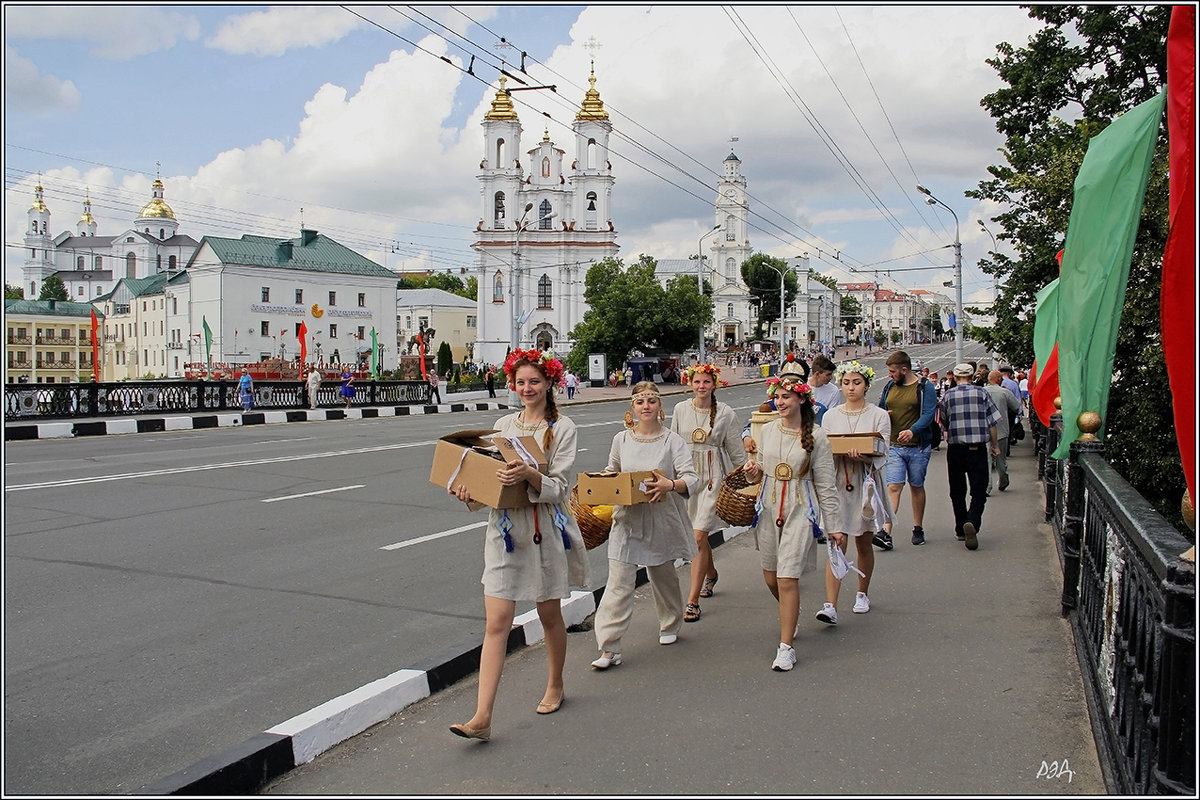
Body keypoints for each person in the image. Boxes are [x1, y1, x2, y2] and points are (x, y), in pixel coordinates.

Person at [448, 349, 589, 740]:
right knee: (496, 622)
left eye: (534, 382)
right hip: (505, 532)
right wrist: (470, 493)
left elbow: (560, 487)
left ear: (549, 384)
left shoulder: (562, 428)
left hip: (543, 529)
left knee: (549, 616)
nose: (527, 389)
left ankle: (556, 683)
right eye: (520, 382)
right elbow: (492, 481)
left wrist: (529, 472)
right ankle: (482, 717)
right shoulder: (503, 425)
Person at [591, 381, 698, 670]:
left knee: (663, 576)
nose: (646, 407)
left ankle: (670, 623)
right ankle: (610, 647)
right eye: (640, 402)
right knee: (618, 583)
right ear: (632, 408)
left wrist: (670, 484)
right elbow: (611, 471)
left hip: (661, 518)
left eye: (651, 401)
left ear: (659, 406)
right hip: (627, 519)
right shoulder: (621, 440)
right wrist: (599, 482)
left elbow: (692, 478)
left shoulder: (671, 440)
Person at [743, 374, 839, 671]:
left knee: (787, 578)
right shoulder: (768, 430)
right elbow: (758, 470)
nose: (780, 402)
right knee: (771, 577)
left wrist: (833, 525)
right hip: (770, 505)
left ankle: (786, 648)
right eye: (778, 397)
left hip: (800, 506)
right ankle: (790, 613)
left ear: (801, 399)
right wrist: (752, 471)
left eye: (786, 397)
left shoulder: (818, 436)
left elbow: (826, 484)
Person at [669, 363, 747, 624]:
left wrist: (746, 480)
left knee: (699, 536)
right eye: (697, 382)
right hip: (686, 479)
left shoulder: (725, 412)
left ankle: (692, 602)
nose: (701, 386)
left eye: (706, 382)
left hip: (712, 478)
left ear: (715, 384)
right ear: (690, 383)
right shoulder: (681, 409)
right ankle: (710, 574)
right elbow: (672, 445)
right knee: (696, 538)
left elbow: (736, 451)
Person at [818, 361, 891, 621]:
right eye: (847, 382)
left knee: (863, 541)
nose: (851, 387)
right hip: (838, 482)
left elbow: (883, 452)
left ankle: (862, 592)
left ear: (866, 385)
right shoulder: (831, 415)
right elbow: (823, 451)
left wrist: (863, 457)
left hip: (865, 482)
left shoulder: (879, 415)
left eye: (856, 382)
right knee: (837, 541)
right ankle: (831, 604)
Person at [876, 351, 937, 548]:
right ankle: (886, 531)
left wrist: (912, 430)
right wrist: (884, 414)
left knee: (916, 485)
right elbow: (880, 407)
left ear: (904, 370)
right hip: (894, 446)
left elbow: (928, 414)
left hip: (918, 446)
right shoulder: (889, 386)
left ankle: (917, 527)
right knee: (894, 486)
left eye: (893, 371)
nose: (890, 374)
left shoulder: (924, 387)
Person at [938, 363, 1002, 551]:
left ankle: (960, 527)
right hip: (977, 448)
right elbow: (992, 423)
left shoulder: (948, 395)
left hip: (956, 449)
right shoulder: (982, 393)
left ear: (955, 378)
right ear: (972, 376)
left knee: (957, 490)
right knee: (979, 489)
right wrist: (995, 446)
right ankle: (973, 521)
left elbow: (944, 421)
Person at [983, 370, 1020, 494]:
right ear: (998, 379)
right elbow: (1016, 407)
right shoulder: (1005, 392)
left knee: (987, 460)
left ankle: (987, 487)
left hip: (984, 430)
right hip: (1002, 430)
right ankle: (1003, 480)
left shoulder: (981, 392)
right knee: (1001, 459)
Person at [808, 354, 841, 424]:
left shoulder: (833, 391)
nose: (831, 377)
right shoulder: (801, 386)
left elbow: (832, 417)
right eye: (828, 374)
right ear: (817, 374)